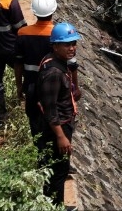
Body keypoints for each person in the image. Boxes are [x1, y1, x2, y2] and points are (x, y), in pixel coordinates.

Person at [37, 22, 81, 204]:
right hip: (57, 128)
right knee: (59, 171)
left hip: (63, 124)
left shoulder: (57, 63)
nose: (72, 48)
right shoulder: (53, 73)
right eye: (67, 45)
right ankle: (54, 205)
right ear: (55, 46)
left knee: (57, 169)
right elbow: (50, 107)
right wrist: (60, 136)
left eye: (73, 43)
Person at [17, 0, 58, 138]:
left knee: (34, 121)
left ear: (34, 12)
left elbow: (18, 63)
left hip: (31, 85)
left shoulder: (23, 33)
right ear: (53, 11)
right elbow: (71, 65)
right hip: (54, 87)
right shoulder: (57, 34)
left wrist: (19, 85)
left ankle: (38, 149)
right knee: (52, 119)